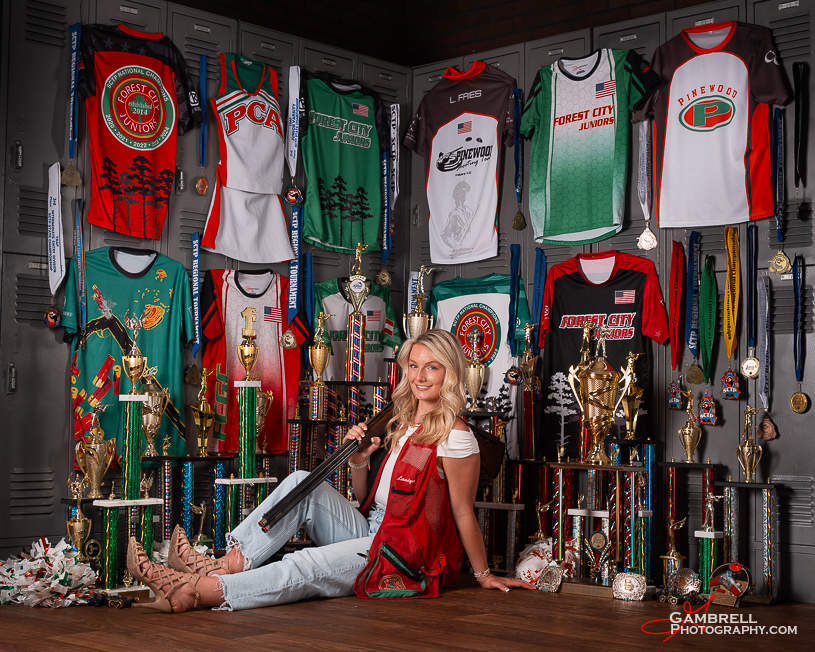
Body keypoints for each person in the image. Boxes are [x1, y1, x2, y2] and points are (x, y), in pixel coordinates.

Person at [126, 329, 532, 612]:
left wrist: (483, 575)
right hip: (373, 528)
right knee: (301, 482)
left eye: (432, 367)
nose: (420, 376)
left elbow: (462, 511)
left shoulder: (456, 436)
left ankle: (200, 590)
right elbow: (367, 498)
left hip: (401, 554)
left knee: (305, 565)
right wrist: (359, 460)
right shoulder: (403, 421)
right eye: (414, 366)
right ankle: (227, 562)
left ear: (450, 374)